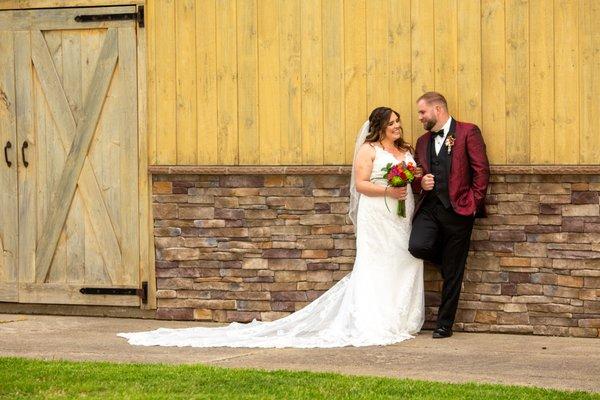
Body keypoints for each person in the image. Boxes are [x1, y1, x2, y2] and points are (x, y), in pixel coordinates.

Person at [119, 107, 424, 348]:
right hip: (378, 212)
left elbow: (413, 174)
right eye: (394, 122)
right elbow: (360, 184)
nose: (398, 126)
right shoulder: (368, 150)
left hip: (401, 214)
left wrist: (415, 178)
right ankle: (377, 320)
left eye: (399, 122)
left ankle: (403, 318)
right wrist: (387, 191)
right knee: (376, 264)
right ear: (381, 125)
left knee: (403, 260)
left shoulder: (405, 150)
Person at [408, 92, 490, 339]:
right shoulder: (422, 142)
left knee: (454, 273)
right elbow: (415, 177)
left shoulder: (468, 132)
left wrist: (474, 203)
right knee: (417, 246)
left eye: (423, 112)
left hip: (460, 210)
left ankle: (445, 324)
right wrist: (422, 182)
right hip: (431, 208)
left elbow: (481, 170)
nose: (420, 117)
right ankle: (447, 260)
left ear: (438, 109)